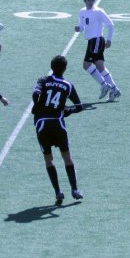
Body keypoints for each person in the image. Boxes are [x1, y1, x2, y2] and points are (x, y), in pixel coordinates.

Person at [32, 55, 84, 205]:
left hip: (42, 124)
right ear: (65, 69)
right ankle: (74, 189)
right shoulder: (68, 85)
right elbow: (79, 107)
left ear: (51, 67)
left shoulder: (43, 80)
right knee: (66, 156)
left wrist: (36, 106)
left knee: (49, 159)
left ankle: (58, 192)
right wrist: (67, 111)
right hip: (58, 124)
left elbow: (36, 94)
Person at [74, 0, 120, 100]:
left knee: (86, 65)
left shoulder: (98, 11)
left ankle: (104, 85)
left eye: (93, 0)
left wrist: (109, 40)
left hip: (97, 41)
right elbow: (83, 26)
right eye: (89, 0)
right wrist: (78, 29)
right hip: (92, 41)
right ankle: (115, 89)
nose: (91, 2)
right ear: (85, 0)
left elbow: (110, 25)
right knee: (100, 66)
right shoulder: (82, 12)